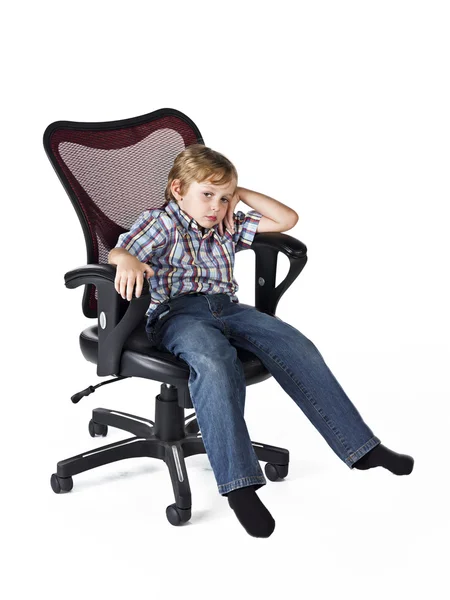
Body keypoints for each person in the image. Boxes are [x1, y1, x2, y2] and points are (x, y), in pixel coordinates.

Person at [108, 144, 414, 538]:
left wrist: (236, 193)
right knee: (216, 361)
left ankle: (361, 448)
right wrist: (127, 260)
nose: (215, 206)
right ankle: (240, 487)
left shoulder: (224, 224)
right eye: (207, 195)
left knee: (295, 345)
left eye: (223, 198)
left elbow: (287, 218)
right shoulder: (162, 222)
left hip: (228, 307)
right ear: (178, 189)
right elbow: (118, 251)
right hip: (176, 314)